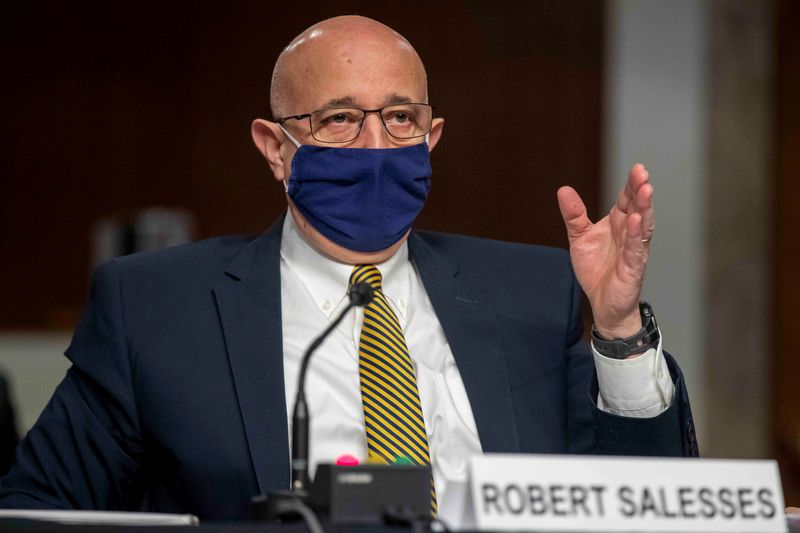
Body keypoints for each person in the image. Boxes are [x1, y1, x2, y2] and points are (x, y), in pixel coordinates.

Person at [0, 16, 696, 521]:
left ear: (433, 136)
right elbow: (30, 509)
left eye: (399, 118)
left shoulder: (535, 294)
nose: (373, 145)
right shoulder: (156, 310)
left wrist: (617, 327)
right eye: (338, 120)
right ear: (275, 146)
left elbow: (655, 509)